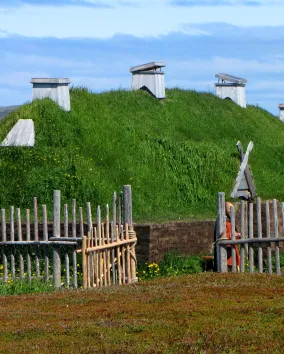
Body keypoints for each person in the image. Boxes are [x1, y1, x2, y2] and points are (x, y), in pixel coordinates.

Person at [221, 202, 241, 270]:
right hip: (226, 252)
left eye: (232, 208)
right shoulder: (222, 222)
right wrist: (231, 235)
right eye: (229, 208)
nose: (231, 210)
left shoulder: (230, 221)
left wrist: (237, 235)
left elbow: (234, 235)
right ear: (225, 209)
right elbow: (221, 236)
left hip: (233, 252)